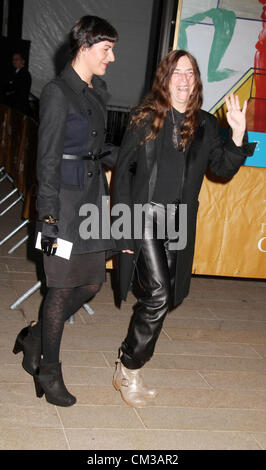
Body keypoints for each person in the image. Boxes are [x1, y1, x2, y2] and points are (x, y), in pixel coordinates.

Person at [112, 49, 256, 408]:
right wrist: (123, 228)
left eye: (190, 73)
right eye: (177, 72)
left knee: (168, 295)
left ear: (196, 83)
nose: (184, 79)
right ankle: (128, 367)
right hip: (144, 215)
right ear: (166, 79)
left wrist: (237, 136)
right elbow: (123, 179)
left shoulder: (206, 125)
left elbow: (222, 169)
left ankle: (132, 364)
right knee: (159, 293)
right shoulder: (145, 119)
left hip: (177, 221)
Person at [13, 16, 118, 407]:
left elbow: (96, 148)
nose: (112, 56)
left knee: (92, 283)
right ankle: (48, 369)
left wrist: (127, 159)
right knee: (60, 288)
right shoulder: (58, 92)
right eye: (107, 48)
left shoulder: (95, 92)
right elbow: (47, 161)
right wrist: (49, 220)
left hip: (91, 202)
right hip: (62, 209)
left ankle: (35, 336)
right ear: (85, 47)